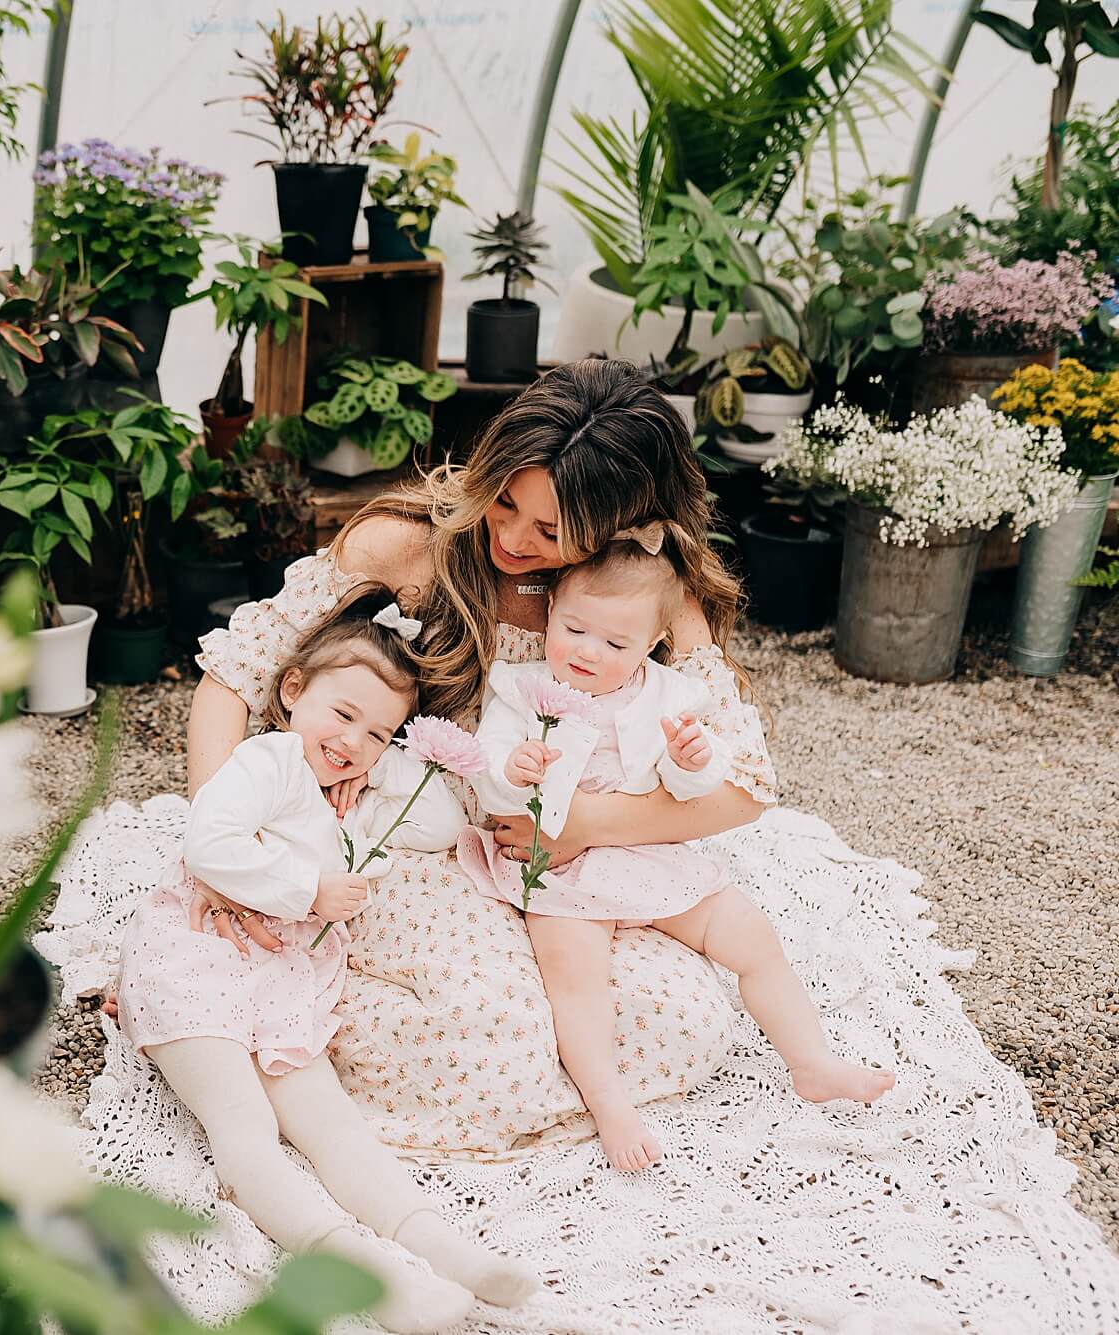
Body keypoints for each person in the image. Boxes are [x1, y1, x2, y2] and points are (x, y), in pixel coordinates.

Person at [182, 359, 775, 1156]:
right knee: (476, 1031)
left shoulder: (638, 590)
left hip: (568, 866)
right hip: (420, 842)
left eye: (550, 532)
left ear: (620, 524)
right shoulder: (411, 543)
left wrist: (581, 825)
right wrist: (224, 843)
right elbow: (234, 676)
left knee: (684, 1017)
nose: (510, 538)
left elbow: (746, 785)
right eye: (504, 500)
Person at [117, 587, 537, 1331]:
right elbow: (207, 840)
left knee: (332, 1123)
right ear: (292, 690)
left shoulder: (341, 791)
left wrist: (382, 769)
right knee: (245, 1123)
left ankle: (439, 1243)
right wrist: (309, 885)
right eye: (343, 716)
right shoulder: (269, 759)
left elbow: (435, 823)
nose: (353, 742)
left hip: (276, 975)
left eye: (379, 733)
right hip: (195, 962)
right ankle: (372, 1279)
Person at [456, 533, 893, 1170]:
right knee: (576, 984)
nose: (587, 652)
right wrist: (511, 769)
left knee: (753, 940)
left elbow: (693, 788)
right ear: (549, 613)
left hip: (642, 852)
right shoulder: (521, 690)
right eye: (575, 629)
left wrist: (693, 762)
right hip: (560, 867)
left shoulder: (667, 695)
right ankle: (610, 1105)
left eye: (615, 644)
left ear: (649, 646)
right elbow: (487, 772)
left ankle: (811, 1061)